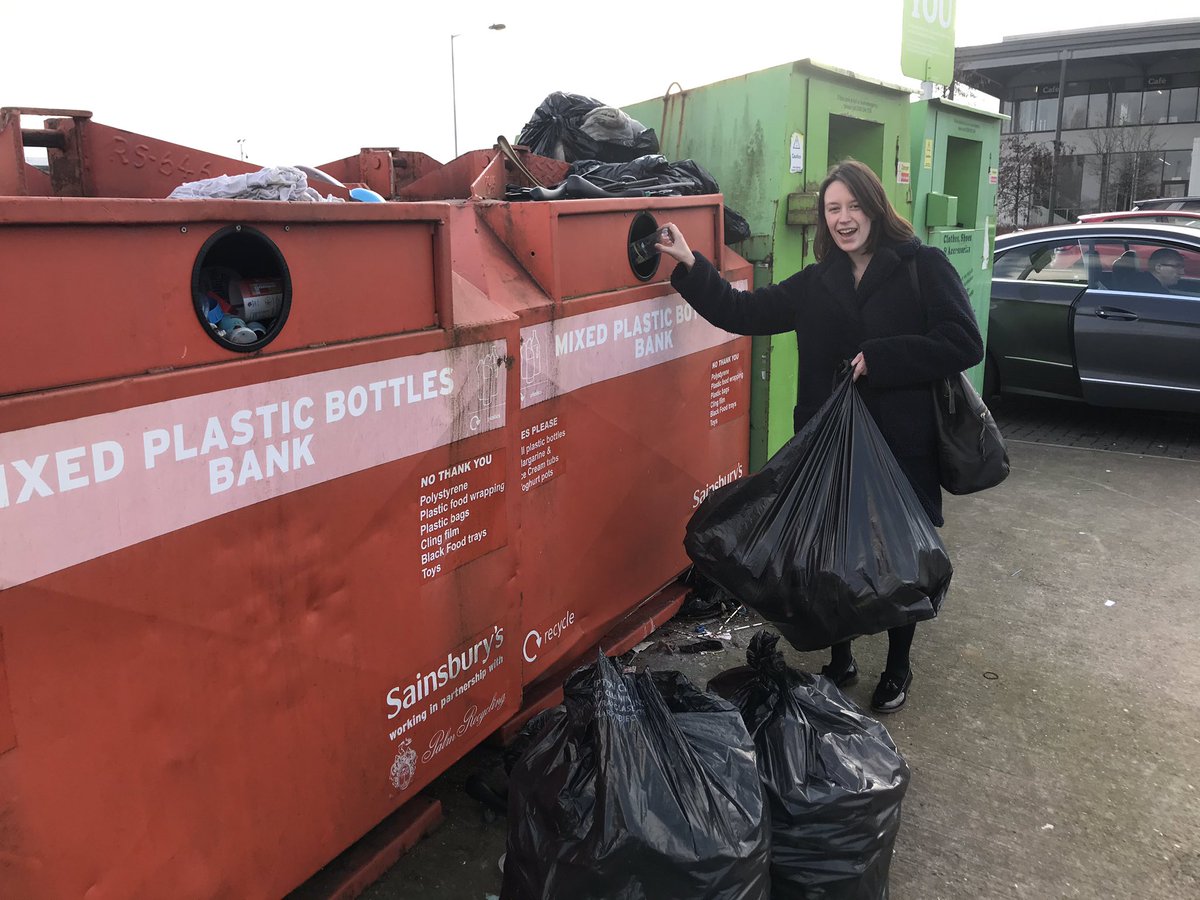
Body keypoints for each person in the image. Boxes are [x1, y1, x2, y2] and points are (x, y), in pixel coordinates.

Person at [657, 159, 984, 713]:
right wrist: (692, 264)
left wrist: (881, 357)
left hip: (900, 442)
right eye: (833, 209)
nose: (844, 218)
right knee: (832, 549)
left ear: (876, 207)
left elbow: (963, 341)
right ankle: (841, 658)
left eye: (854, 205)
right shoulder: (817, 282)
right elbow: (743, 311)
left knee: (898, 554)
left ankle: (898, 665)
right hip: (826, 439)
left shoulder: (920, 267)